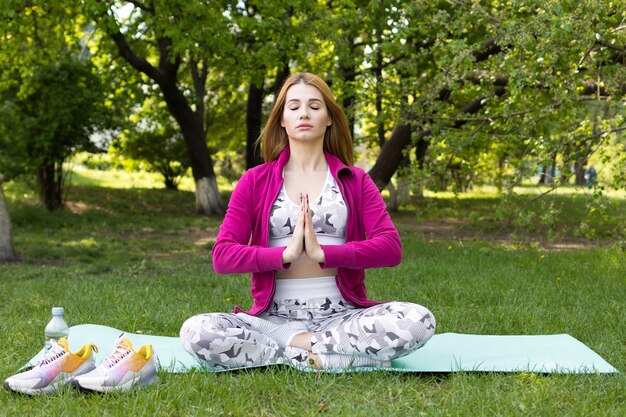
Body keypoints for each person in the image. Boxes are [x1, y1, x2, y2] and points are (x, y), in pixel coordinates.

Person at [180, 72, 436, 370]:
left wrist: (323, 253)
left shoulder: (355, 180)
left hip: (343, 318)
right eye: (294, 107)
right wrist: (284, 254)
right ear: (282, 120)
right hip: (271, 321)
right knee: (196, 331)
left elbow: (390, 248)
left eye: (315, 106)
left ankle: (292, 351)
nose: (304, 113)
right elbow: (222, 256)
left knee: (419, 321)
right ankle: (335, 357)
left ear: (329, 118)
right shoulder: (255, 180)